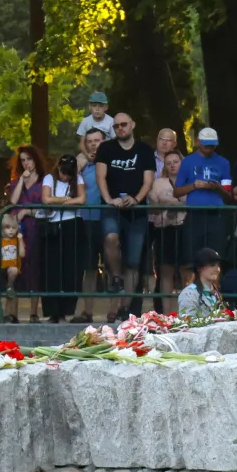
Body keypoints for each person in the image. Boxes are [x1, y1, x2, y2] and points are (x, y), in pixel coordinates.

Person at [94, 112, 156, 320]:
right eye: (117, 125)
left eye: (124, 125)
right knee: (110, 238)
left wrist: (136, 199)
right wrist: (109, 199)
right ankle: (116, 278)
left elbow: (148, 180)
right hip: (112, 207)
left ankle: (126, 309)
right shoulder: (106, 148)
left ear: (132, 125)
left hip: (136, 210)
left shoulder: (145, 150)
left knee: (133, 261)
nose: (120, 128)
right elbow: (100, 177)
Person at [173, 127, 234, 263]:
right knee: (191, 259)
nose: (209, 148)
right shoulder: (187, 162)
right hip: (195, 215)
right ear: (199, 142)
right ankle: (193, 284)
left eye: (212, 145)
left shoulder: (224, 163)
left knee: (216, 258)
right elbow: (177, 192)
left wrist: (218, 188)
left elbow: (229, 197)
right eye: (206, 144)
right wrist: (194, 185)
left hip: (216, 215)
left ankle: (214, 284)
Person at [40, 153, 85, 323]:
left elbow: (81, 199)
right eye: (63, 172)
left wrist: (58, 201)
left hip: (72, 224)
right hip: (53, 226)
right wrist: (67, 200)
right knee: (52, 269)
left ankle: (67, 309)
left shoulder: (78, 179)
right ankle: (52, 311)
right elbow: (46, 199)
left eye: (68, 173)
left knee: (70, 269)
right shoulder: (49, 179)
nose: (65, 176)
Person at [5, 147, 44, 320]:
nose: (26, 163)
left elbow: (45, 208)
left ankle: (34, 312)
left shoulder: (44, 182)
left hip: (35, 228)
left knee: (35, 269)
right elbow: (13, 201)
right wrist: (21, 179)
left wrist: (28, 211)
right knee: (14, 268)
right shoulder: (15, 182)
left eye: (29, 159)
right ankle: (12, 312)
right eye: (22, 160)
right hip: (16, 230)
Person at [147, 149, 187, 309]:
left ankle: (186, 311)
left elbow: (192, 203)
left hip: (185, 228)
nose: (172, 166)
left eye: (175, 162)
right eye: (168, 163)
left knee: (186, 270)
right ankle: (166, 312)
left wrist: (170, 203)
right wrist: (166, 204)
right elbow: (152, 207)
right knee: (165, 270)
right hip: (164, 229)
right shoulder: (158, 183)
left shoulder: (189, 182)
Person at [74, 127, 106, 321]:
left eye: (97, 140)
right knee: (89, 268)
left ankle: (114, 310)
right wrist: (82, 161)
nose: (94, 144)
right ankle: (87, 311)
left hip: (107, 217)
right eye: (90, 141)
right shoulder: (82, 161)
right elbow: (68, 180)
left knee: (111, 267)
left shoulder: (109, 161)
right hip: (85, 218)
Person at [0, 211, 25, 321]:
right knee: (2, 295)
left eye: (13, 228)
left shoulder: (17, 240)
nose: (11, 230)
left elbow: (22, 254)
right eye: (7, 227)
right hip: (2, 270)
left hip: (14, 270)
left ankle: (11, 315)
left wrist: (20, 240)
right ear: (2, 229)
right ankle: (2, 315)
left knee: (13, 292)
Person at [177, 247, 224, 319]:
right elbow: (187, 323)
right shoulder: (188, 293)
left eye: (218, 265)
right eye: (212, 265)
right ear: (199, 268)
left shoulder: (215, 292)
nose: (217, 269)